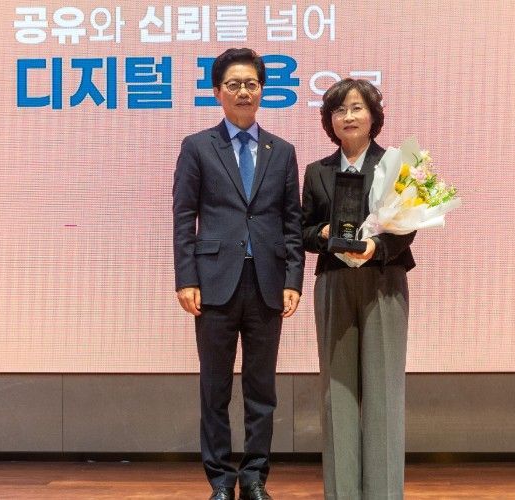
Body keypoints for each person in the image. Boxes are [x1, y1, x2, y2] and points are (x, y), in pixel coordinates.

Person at [173, 48, 304, 500]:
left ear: (262, 90)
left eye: (251, 83)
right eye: (234, 84)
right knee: (215, 388)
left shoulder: (282, 151)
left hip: (267, 283)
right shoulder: (197, 147)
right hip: (213, 283)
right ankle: (220, 480)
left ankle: (254, 477)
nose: (243, 91)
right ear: (217, 92)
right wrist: (186, 278)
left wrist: (293, 279)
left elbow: (291, 221)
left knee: (261, 389)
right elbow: (183, 217)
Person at [301, 79, 416, 500]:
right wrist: (322, 234)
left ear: (373, 116)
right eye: (339, 110)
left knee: (384, 391)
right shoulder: (317, 171)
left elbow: (408, 227)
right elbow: (302, 230)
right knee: (338, 392)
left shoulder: (398, 165)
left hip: (384, 281)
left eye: (356, 108)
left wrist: (375, 247)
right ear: (329, 120)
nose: (348, 117)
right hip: (333, 281)